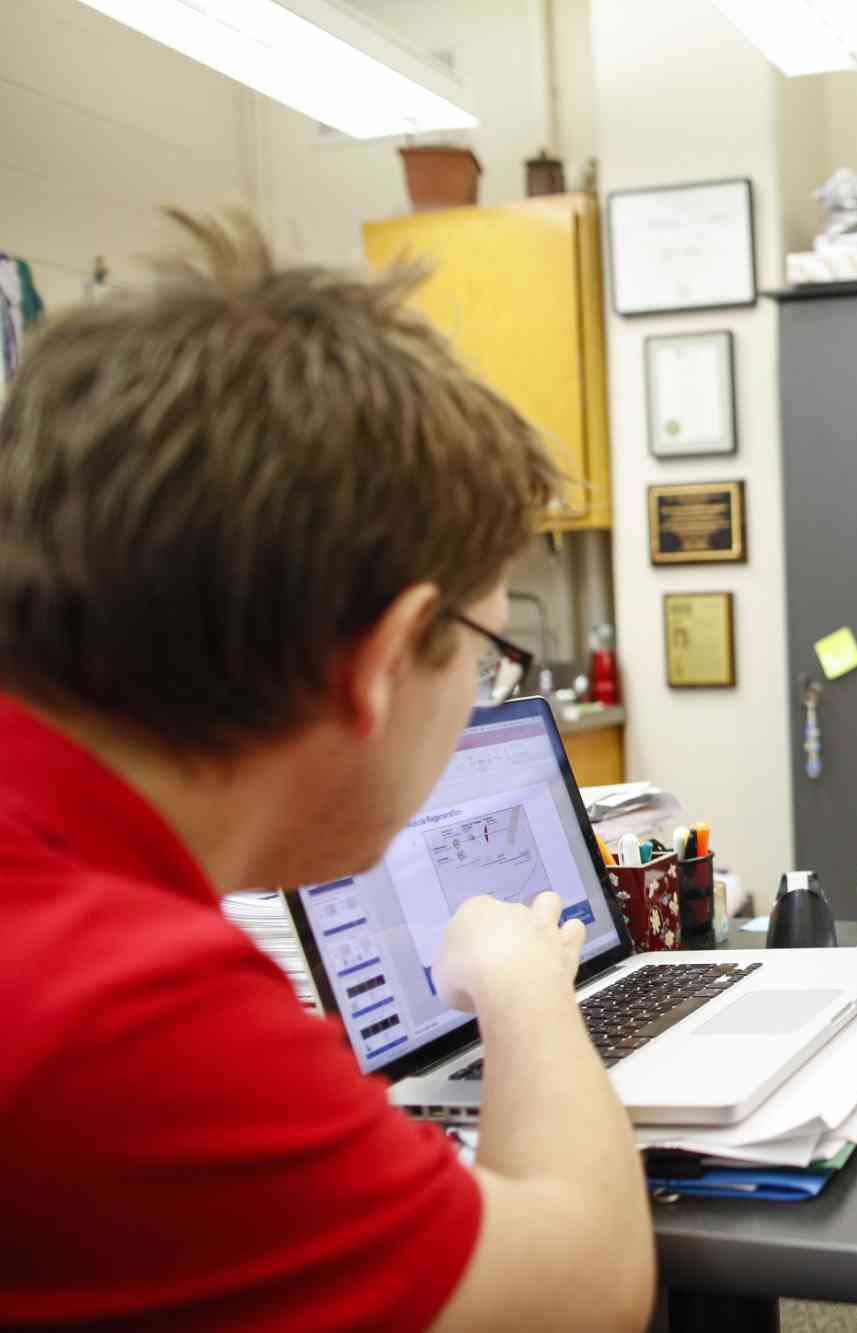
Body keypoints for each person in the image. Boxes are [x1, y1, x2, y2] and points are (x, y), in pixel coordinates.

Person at [0, 214, 653, 1330]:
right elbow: (579, 1291)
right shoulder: (127, 1015)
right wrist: (526, 984)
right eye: (491, 654)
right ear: (386, 659)